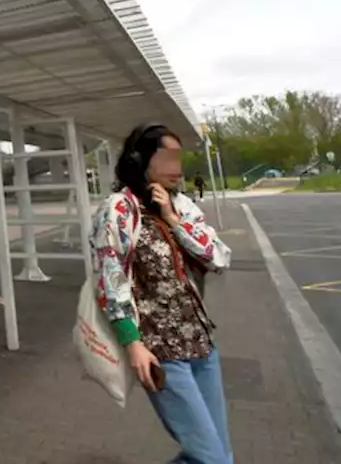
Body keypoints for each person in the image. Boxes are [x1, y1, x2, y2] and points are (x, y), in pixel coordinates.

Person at [90, 123, 234, 464]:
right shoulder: (119, 209)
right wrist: (132, 343)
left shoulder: (182, 206)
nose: (177, 168)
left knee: (218, 455)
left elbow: (218, 258)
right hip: (161, 350)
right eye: (167, 158)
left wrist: (172, 218)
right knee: (212, 459)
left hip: (201, 344)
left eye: (179, 158)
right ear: (141, 160)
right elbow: (111, 279)